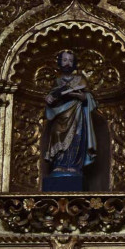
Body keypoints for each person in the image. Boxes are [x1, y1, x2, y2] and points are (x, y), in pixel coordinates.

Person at [42, 50, 98, 191]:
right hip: (59, 117)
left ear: (74, 64)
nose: (67, 63)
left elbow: (90, 99)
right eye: (65, 60)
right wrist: (49, 99)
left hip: (77, 116)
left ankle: (73, 166)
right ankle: (59, 166)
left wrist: (80, 97)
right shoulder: (57, 81)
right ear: (60, 62)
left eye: (70, 60)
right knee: (57, 137)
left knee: (75, 139)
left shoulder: (81, 80)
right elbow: (51, 101)